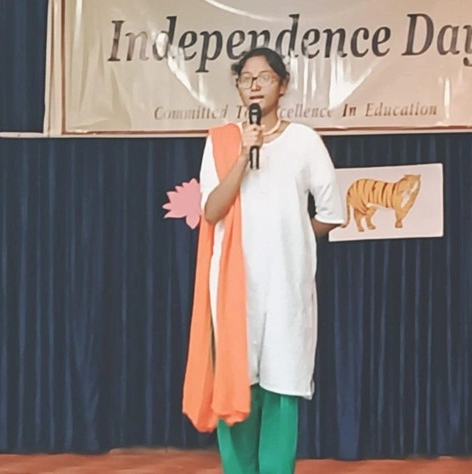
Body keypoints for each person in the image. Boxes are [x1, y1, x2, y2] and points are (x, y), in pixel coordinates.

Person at [182, 47, 345, 474]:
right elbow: (212, 210)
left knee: (281, 387)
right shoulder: (221, 142)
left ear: (283, 86)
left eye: (264, 78)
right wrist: (243, 155)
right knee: (237, 386)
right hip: (233, 290)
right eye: (246, 79)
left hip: (286, 288)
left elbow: (333, 212)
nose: (254, 86)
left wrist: (293, 240)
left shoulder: (304, 141)